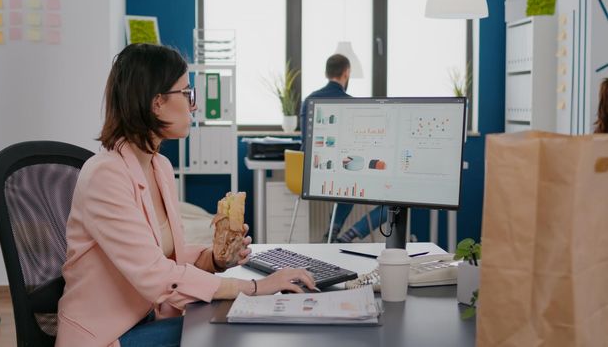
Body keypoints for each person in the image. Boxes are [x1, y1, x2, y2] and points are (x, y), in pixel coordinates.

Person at [55, 43, 316, 347]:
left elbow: (168, 256)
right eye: (188, 93)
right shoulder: (105, 175)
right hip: (108, 335)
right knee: (230, 327)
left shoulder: (160, 166)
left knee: (229, 318)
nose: (194, 105)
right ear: (157, 103)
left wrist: (215, 259)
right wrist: (256, 286)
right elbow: (157, 276)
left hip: (147, 318)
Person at [300, 54, 388, 242]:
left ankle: (332, 233)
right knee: (390, 201)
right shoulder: (350, 102)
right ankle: (351, 234)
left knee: (348, 181)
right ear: (346, 72)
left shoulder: (308, 100)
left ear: (326, 72)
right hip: (339, 176)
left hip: (308, 176)